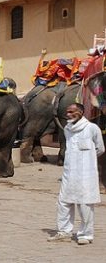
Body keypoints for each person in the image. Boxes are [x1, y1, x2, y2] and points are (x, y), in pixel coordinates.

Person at [48, 103, 104, 245]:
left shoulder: (92, 128)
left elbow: (100, 148)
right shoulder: (67, 128)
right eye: (67, 112)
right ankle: (64, 231)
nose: (69, 114)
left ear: (80, 112)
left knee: (85, 204)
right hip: (69, 172)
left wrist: (87, 160)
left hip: (86, 173)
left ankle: (86, 234)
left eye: (72, 111)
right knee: (63, 202)